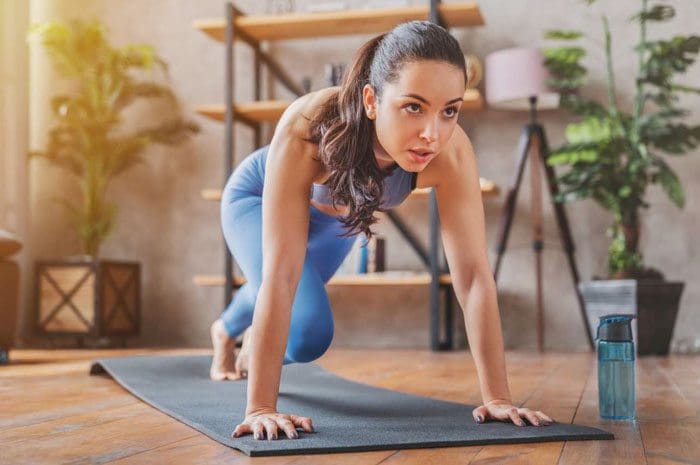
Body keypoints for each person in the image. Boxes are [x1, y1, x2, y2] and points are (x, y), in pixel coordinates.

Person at [209, 20, 555, 441]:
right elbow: (282, 275)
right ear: (371, 100)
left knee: (299, 309)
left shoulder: (452, 152)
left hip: (339, 216)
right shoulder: (309, 124)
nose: (433, 133)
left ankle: (229, 329)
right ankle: (229, 331)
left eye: (450, 110)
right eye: (413, 106)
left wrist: (498, 398)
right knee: (308, 334)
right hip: (256, 199)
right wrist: (261, 407)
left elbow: (474, 277)